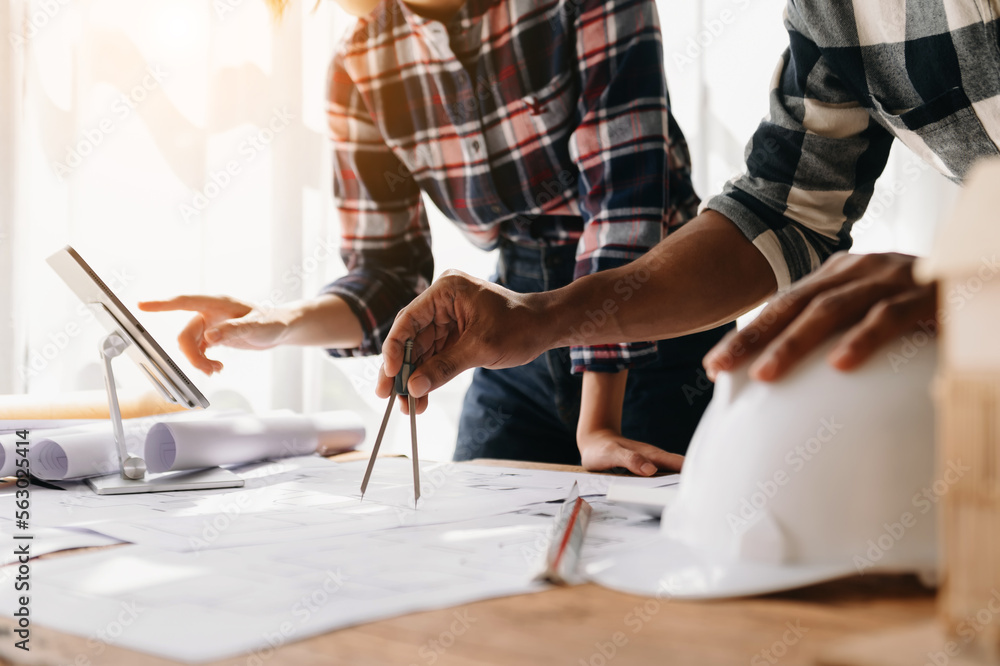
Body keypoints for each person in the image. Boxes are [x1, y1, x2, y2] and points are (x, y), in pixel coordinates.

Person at [140, 0, 731, 475]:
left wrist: (597, 423)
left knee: (657, 563)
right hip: (506, 329)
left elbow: (622, 211)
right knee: (482, 561)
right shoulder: (361, 61)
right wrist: (276, 321)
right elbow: (384, 275)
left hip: (655, 317)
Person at [377, 0, 985, 416]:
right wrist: (544, 317)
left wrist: (979, 290)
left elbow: (626, 189)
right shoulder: (835, 14)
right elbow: (782, 210)